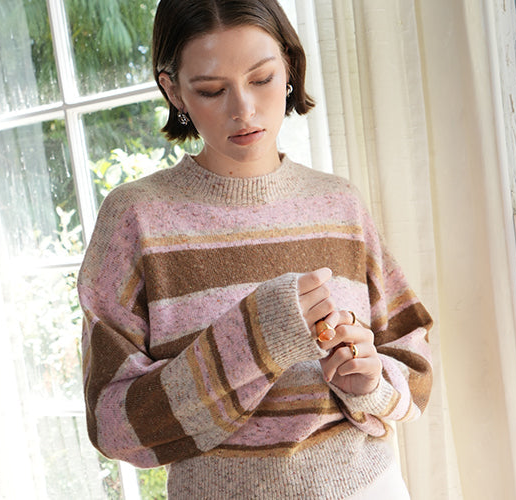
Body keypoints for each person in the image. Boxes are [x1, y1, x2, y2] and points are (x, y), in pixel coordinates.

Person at [77, 1, 432, 498]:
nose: (242, 109)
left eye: (262, 78)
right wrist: (256, 337)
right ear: (172, 90)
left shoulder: (339, 203)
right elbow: (112, 425)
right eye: (211, 90)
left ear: (289, 66)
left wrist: (369, 384)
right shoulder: (137, 218)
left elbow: (414, 368)